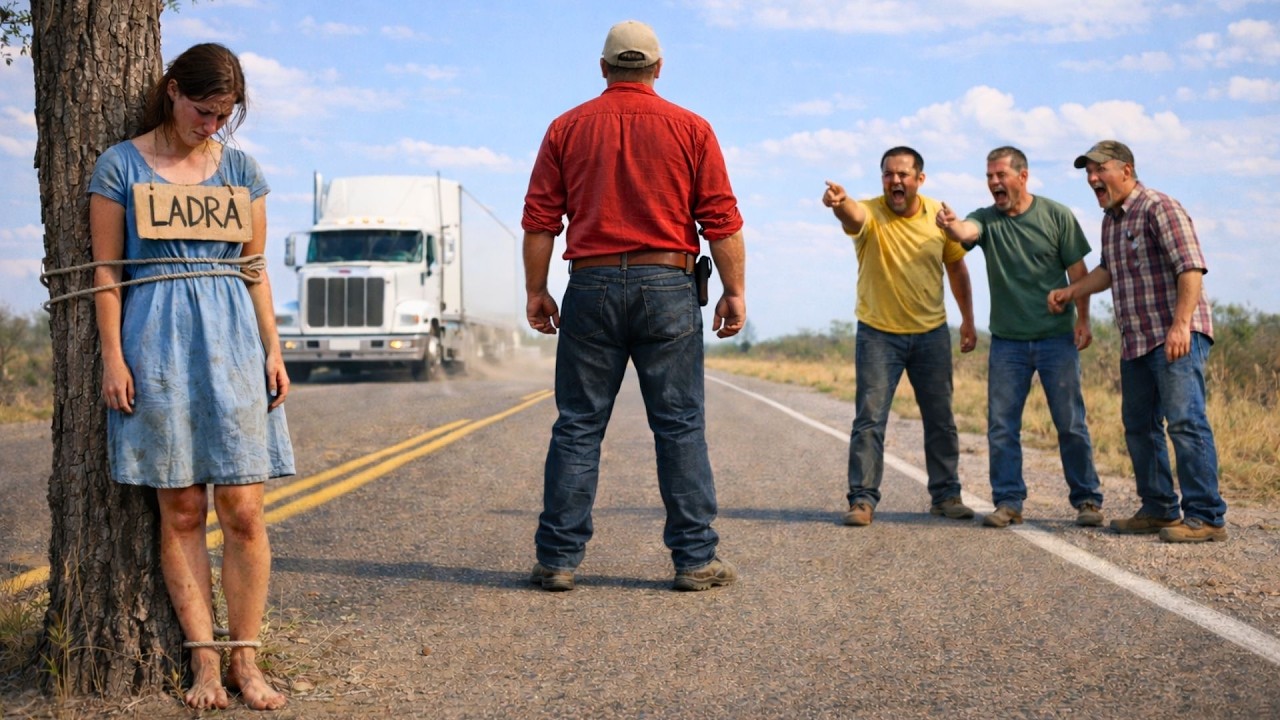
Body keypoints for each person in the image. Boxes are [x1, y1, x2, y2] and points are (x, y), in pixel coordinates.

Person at [89, 43, 294, 709]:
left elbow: (254, 268)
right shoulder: (120, 164)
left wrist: (274, 347)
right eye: (203, 111)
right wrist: (113, 357)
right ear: (172, 90)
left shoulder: (240, 169)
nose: (211, 125)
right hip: (157, 345)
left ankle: (246, 660)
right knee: (180, 508)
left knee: (243, 509)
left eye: (224, 115)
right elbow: (106, 274)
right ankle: (204, 664)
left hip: (234, 343)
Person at [522, 20, 746, 592]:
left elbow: (541, 220)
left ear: (603, 68)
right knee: (678, 425)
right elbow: (720, 219)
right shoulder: (692, 128)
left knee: (578, 424)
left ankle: (557, 561)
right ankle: (695, 560)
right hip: (667, 287)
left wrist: (536, 289)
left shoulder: (565, 128)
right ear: (658, 69)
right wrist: (734, 290)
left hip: (591, 286)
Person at [1049, 140, 1227, 543]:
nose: (1092, 178)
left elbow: (1191, 267)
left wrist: (1181, 326)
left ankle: (1207, 515)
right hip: (1137, 341)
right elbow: (1108, 272)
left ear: (1126, 170)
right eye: (1088, 173)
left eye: (1100, 170)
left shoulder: (1159, 207)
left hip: (1174, 335)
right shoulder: (1111, 220)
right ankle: (1159, 507)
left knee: (1185, 422)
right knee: (1139, 426)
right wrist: (1072, 291)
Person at [936, 146, 1105, 529]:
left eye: (1001, 175)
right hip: (1008, 343)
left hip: (1055, 339)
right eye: (989, 176)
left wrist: (1083, 320)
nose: (994, 182)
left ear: (1023, 176)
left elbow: (1078, 272)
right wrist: (950, 225)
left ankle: (1088, 501)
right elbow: (967, 231)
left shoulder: (1056, 215)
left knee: (1070, 422)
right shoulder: (986, 219)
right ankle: (1008, 502)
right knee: (1001, 425)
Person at [822, 147, 977, 527]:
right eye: (889, 174)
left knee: (940, 419)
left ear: (919, 180)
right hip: (878, 335)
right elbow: (853, 215)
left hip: (931, 334)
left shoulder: (938, 215)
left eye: (903, 174)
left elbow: (957, 270)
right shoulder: (870, 211)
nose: (896, 180)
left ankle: (946, 496)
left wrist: (968, 321)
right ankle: (862, 500)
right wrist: (839, 204)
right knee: (870, 419)